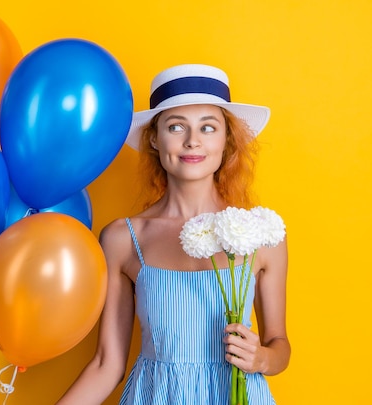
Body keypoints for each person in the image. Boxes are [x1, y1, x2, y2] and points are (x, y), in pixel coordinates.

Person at [56, 64, 290, 404]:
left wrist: (263, 359)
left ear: (226, 139)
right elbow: (107, 364)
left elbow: (279, 343)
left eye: (208, 127)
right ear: (154, 138)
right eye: (176, 126)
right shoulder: (123, 239)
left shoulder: (263, 235)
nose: (192, 141)